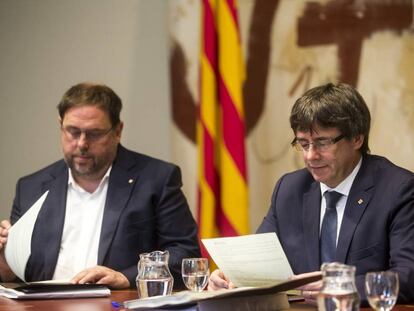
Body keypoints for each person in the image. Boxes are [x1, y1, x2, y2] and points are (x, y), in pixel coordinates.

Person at [208, 83, 414, 303]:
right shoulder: (289, 189)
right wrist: (230, 276)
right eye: (303, 144)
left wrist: (341, 287)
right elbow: (257, 264)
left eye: (322, 143)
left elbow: (408, 276)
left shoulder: (397, 189)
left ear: (357, 139)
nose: (310, 156)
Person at [0, 82, 201, 289]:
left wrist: (126, 277)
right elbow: (19, 272)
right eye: (73, 131)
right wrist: (5, 264)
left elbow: (186, 254)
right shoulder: (31, 188)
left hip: (116, 304)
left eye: (94, 134)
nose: (82, 144)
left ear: (118, 131)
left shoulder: (156, 179)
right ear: (60, 125)